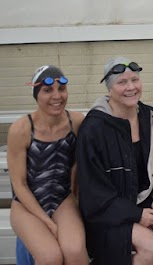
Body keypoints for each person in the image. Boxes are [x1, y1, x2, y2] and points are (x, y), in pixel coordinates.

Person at [76, 57, 153, 265]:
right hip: (108, 213)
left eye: (135, 80)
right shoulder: (94, 129)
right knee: (152, 248)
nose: (131, 87)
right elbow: (93, 192)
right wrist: (136, 214)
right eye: (122, 82)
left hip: (146, 201)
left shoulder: (149, 117)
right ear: (109, 88)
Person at [7, 65, 88, 264]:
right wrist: (47, 222)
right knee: (50, 256)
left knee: (75, 251)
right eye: (47, 90)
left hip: (61, 198)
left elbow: (80, 164)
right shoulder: (21, 129)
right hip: (26, 205)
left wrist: (78, 200)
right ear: (36, 94)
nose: (57, 96)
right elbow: (19, 184)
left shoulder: (76, 122)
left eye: (61, 89)